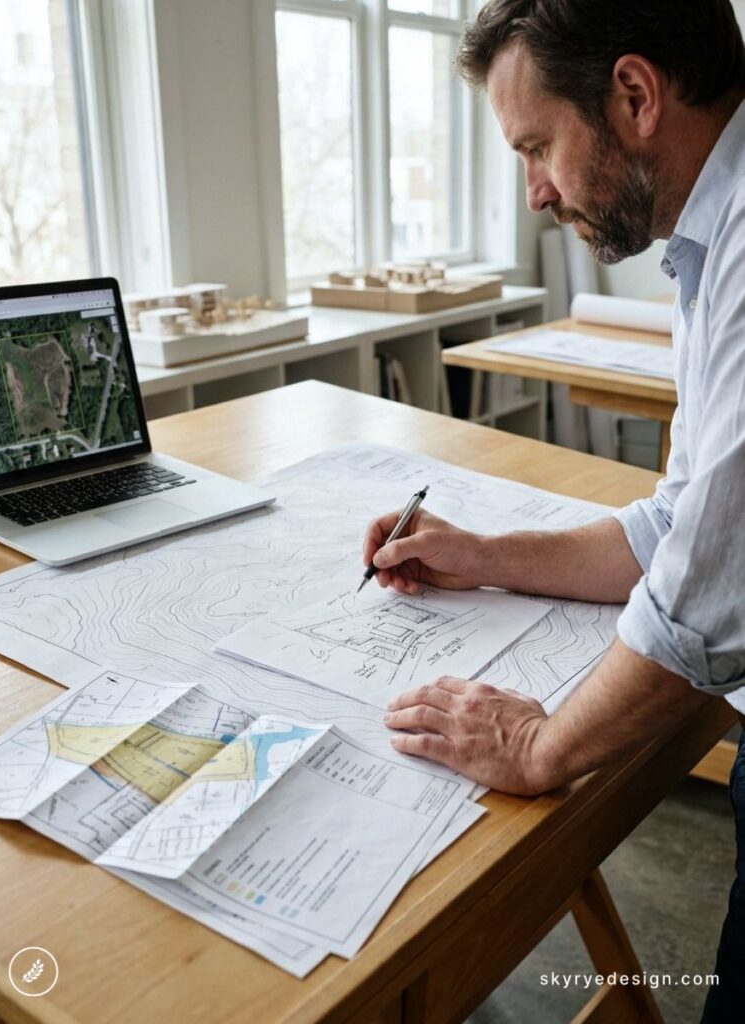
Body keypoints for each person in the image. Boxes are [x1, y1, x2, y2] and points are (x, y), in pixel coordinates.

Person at [362, 2, 745, 1020]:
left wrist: (538, 746)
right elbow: (682, 528)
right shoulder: (709, 241)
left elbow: (708, 596)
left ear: (633, 94)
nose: (533, 190)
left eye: (536, 145)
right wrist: (480, 553)